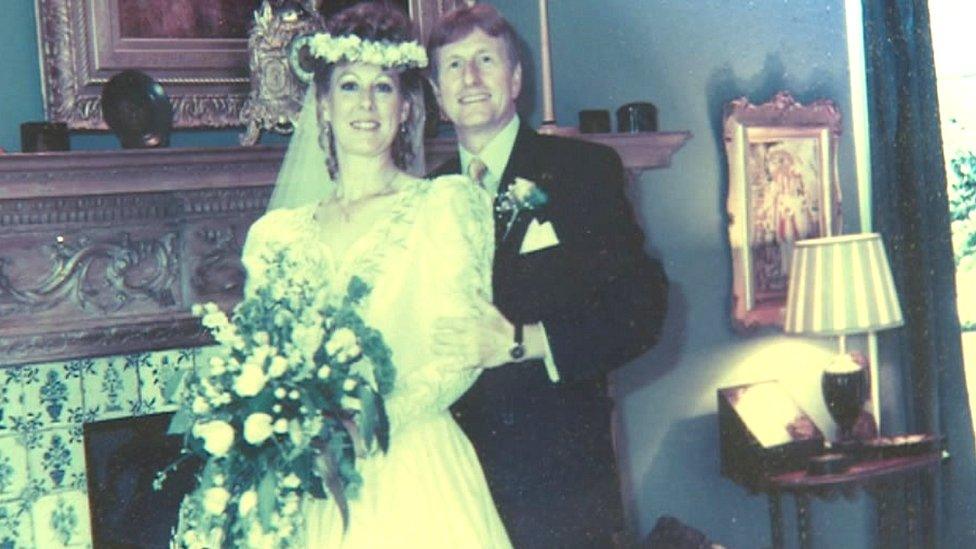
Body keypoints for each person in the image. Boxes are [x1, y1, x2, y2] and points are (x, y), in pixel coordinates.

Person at [241, 3, 511, 546]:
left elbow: (460, 354)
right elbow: (259, 361)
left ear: (407, 108)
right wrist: (298, 428)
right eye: (348, 86)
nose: (365, 104)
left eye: (383, 88)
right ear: (322, 105)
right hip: (315, 479)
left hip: (414, 467)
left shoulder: (446, 206)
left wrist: (366, 423)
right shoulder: (276, 237)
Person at [427, 5, 669, 547]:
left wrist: (523, 342)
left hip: (561, 480)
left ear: (515, 78)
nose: (469, 79)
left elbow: (643, 307)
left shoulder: (584, 171)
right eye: (454, 65)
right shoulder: (423, 198)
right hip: (456, 478)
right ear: (437, 93)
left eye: (485, 60)